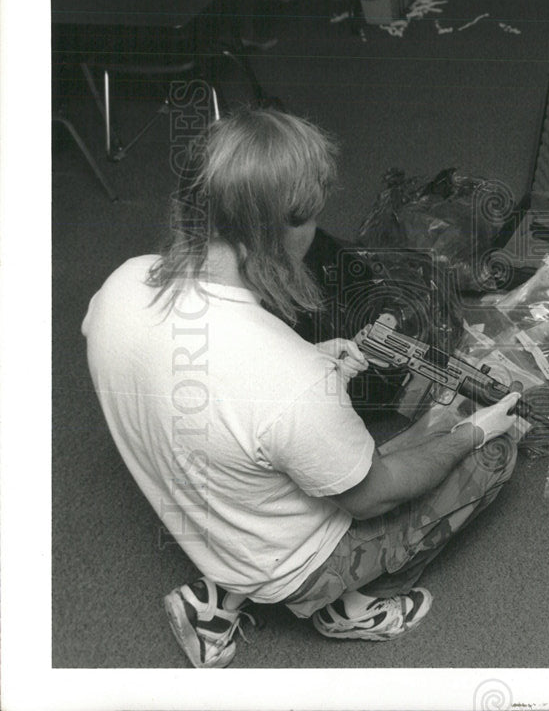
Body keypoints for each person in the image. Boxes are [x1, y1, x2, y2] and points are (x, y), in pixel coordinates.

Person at [81, 108, 522, 668]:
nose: (315, 232)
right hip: (294, 561)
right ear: (273, 231)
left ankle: (216, 598)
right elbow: (370, 496)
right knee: (494, 452)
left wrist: (310, 364)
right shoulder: (291, 383)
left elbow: (197, 386)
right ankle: (352, 605)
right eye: (309, 218)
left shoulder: (121, 283)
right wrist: (473, 433)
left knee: (420, 426)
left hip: (207, 517)